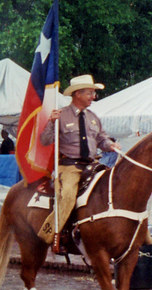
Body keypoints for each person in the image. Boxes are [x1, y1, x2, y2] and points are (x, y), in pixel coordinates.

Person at [38, 74, 121, 243]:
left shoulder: (93, 117)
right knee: (68, 195)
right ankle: (53, 235)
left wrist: (111, 145)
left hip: (93, 165)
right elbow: (45, 140)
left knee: (113, 187)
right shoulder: (60, 115)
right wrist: (51, 122)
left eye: (93, 93)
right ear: (77, 94)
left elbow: (101, 139)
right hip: (69, 167)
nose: (93, 97)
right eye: (89, 93)